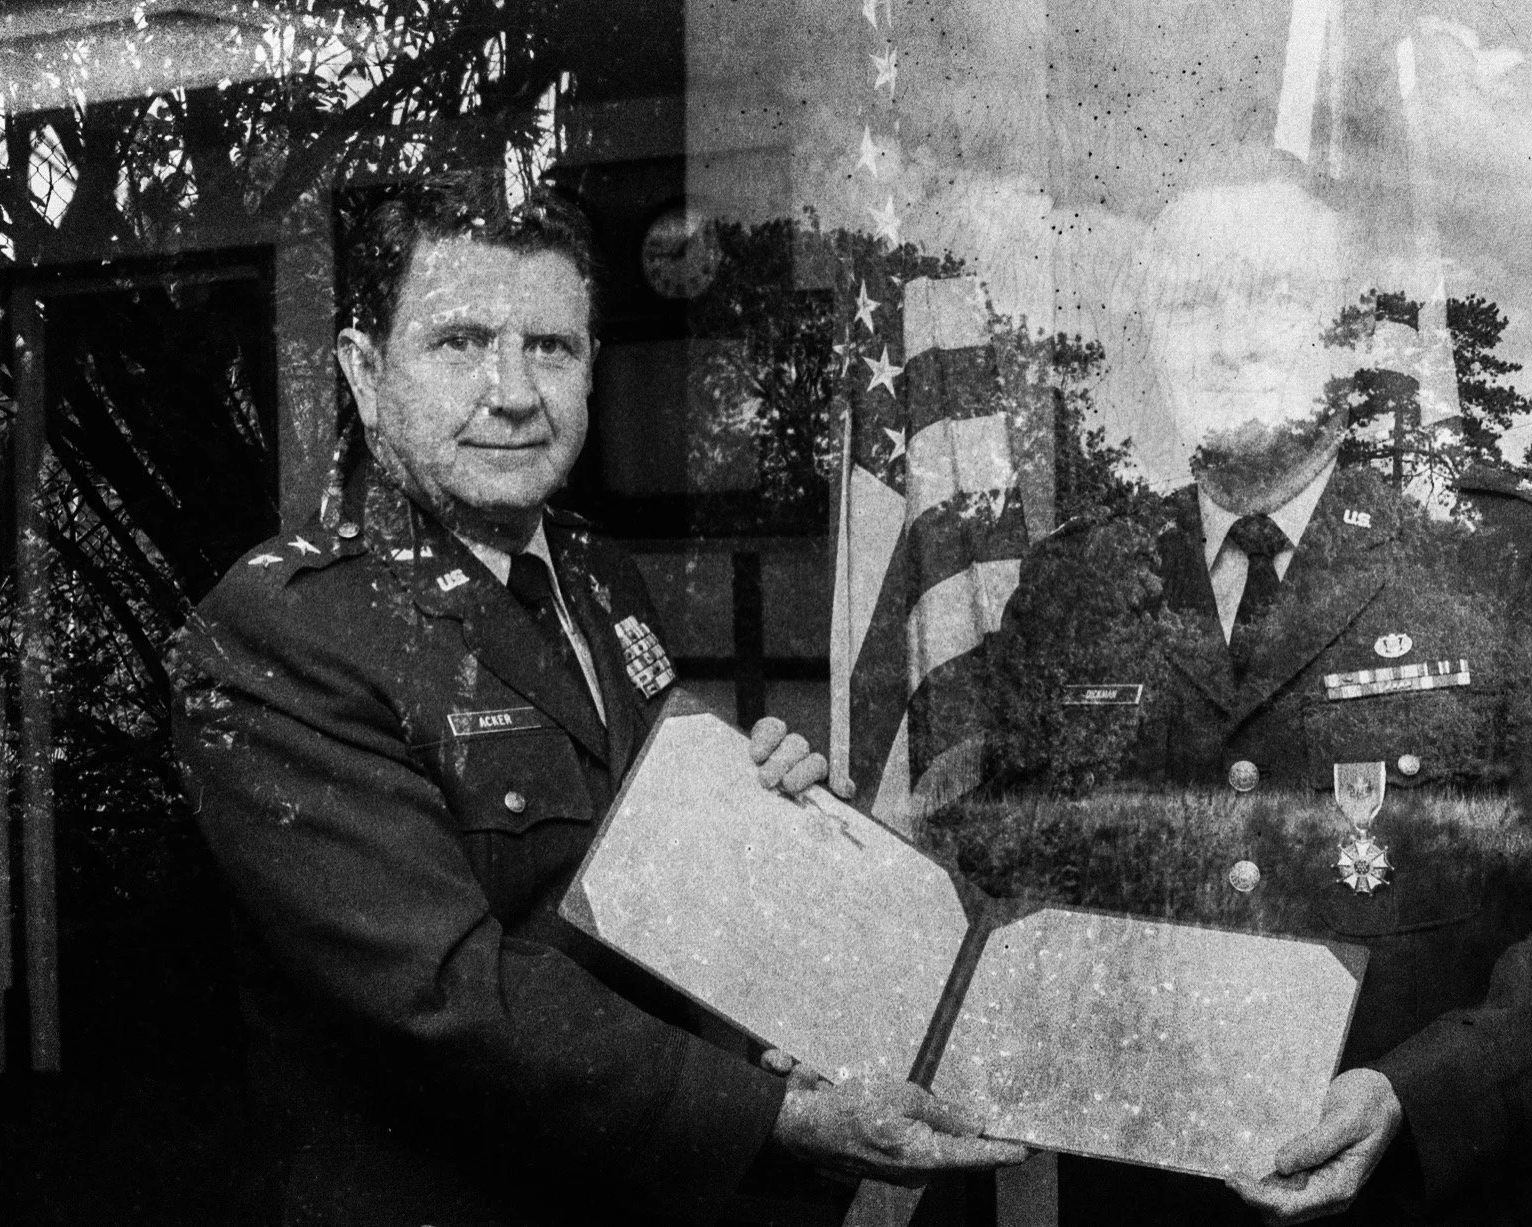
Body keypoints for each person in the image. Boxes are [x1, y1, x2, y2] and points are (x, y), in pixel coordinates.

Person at [171, 173, 1024, 1226]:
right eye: (458, 343)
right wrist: (774, 1119)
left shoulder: (591, 572)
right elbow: (445, 997)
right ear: (361, 370)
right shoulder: (281, 633)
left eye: (551, 348)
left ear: (591, 369)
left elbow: (652, 885)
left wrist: (769, 822)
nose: (514, 391)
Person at [984, 180, 1532, 1225]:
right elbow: (1003, 891)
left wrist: (1413, 1092)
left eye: (1265, 295)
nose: (1224, 340)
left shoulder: (1500, 555)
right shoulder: (1077, 581)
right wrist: (795, 824)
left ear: (1344, 332)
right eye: (1188, 303)